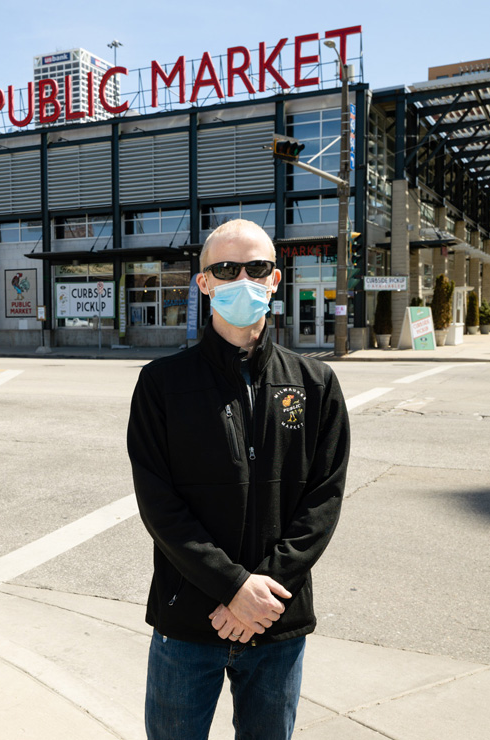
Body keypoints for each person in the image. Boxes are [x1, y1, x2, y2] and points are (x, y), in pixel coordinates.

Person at [127, 218, 351, 740]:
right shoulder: (161, 384)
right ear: (203, 282)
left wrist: (260, 595)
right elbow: (159, 506)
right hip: (187, 622)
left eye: (256, 268)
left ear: (275, 280)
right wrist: (233, 587)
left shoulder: (315, 383)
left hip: (276, 618)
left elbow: (323, 500)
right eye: (225, 269)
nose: (241, 279)